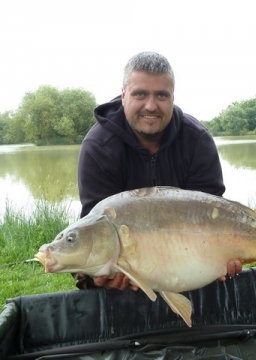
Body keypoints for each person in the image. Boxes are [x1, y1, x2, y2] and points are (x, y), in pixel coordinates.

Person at [76, 51, 242, 290]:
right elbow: (95, 227)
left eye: (161, 95)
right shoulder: (98, 147)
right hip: (127, 274)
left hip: (187, 262)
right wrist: (91, 277)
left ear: (173, 97)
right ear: (124, 95)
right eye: (140, 94)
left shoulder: (197, 140)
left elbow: (212, 211)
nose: (151, 106)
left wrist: (222, 256)